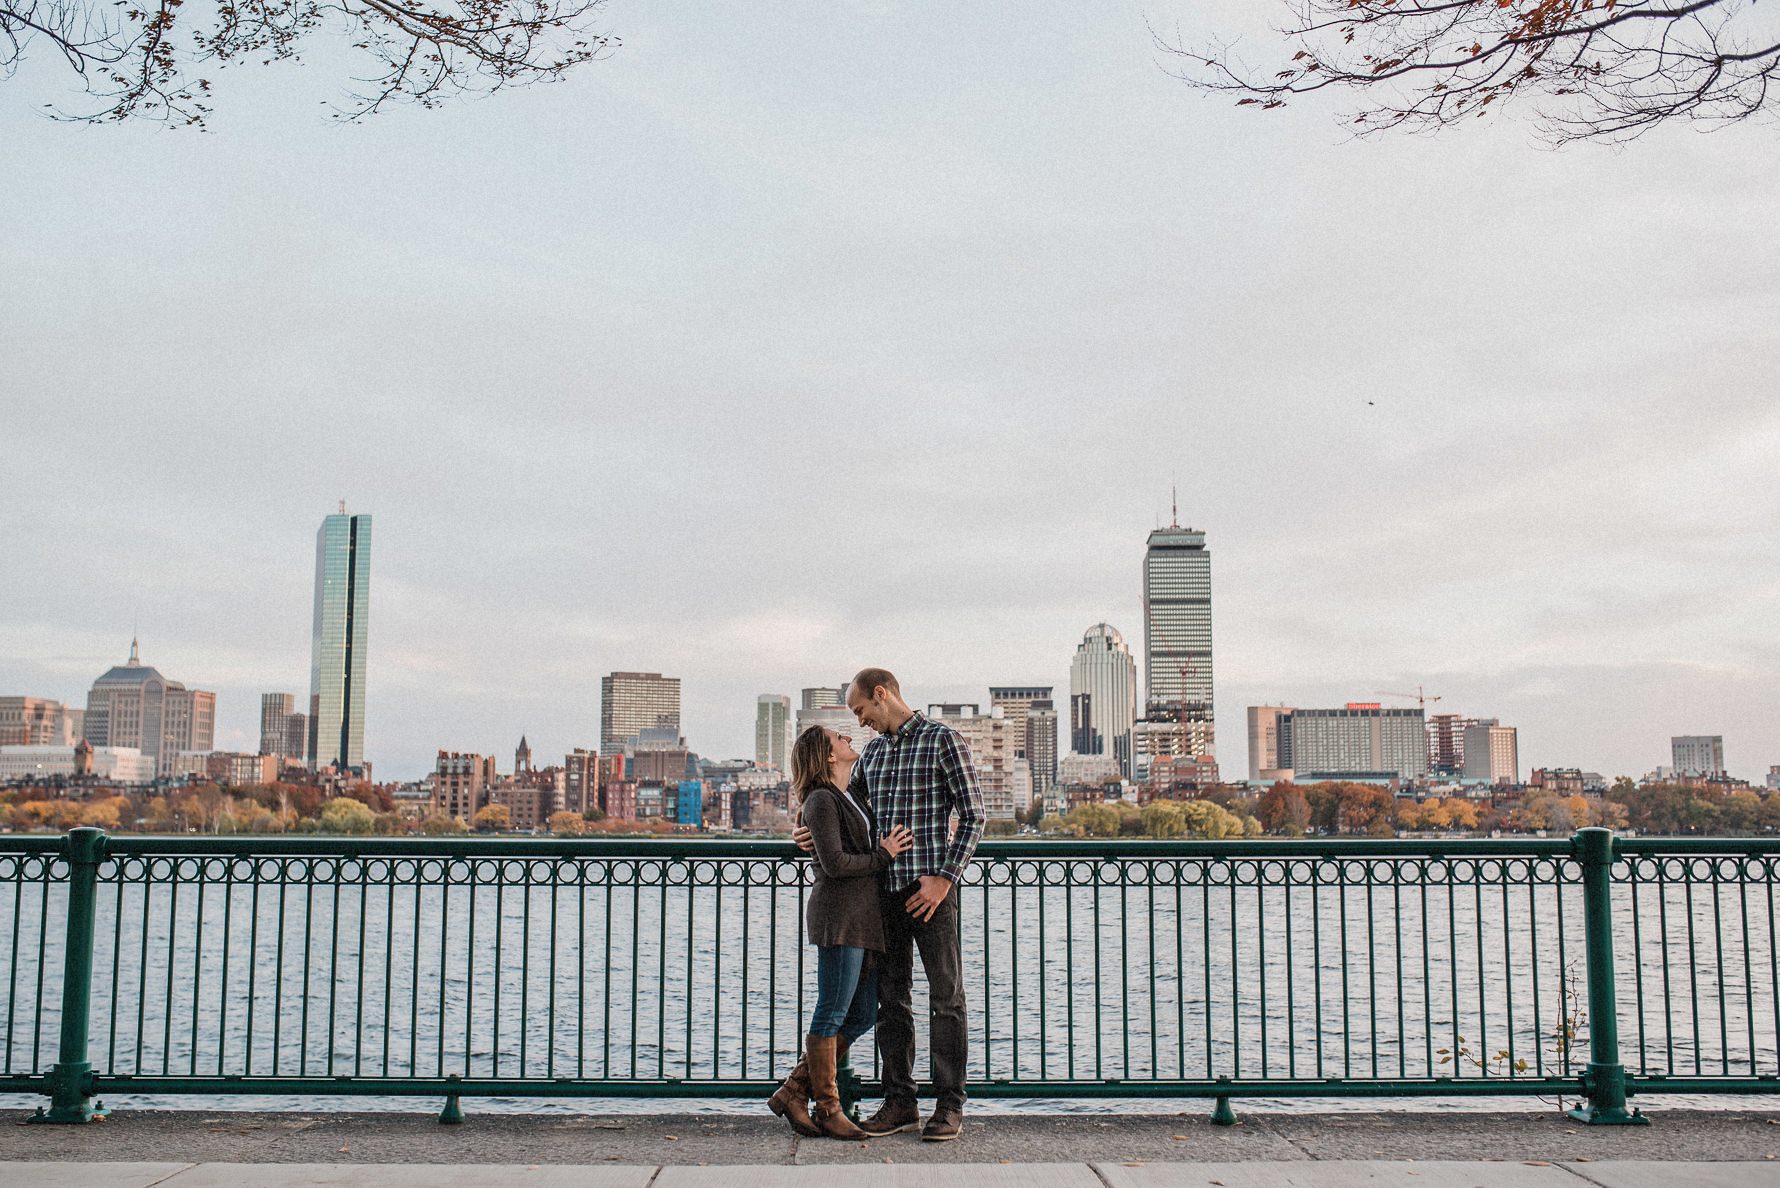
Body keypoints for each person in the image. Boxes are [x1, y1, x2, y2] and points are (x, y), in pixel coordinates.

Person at [796, 666, 986, 1143]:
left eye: (861, 711)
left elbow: (974, 814)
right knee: (891, 1003)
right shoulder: (873, 755)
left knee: (947, 1000)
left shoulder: (943, 741)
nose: (860, 723)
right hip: (883, 896)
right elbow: (846, 815)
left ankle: (949, 1107)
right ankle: (900, 1101)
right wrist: (808, 834)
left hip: (931, 894)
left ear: (882, 695)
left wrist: (944, 879)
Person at [768, 724, 914, 1139]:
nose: (849, 739)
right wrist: (883, 854)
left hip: (864, 918)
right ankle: (828, 1107)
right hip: (839, 917)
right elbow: (834, 864)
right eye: (840, 738)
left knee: (864, 1012)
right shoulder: (820, 799)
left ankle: (795, 1090)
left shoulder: (852, 794)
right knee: (832, 1010)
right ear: (828, 755)